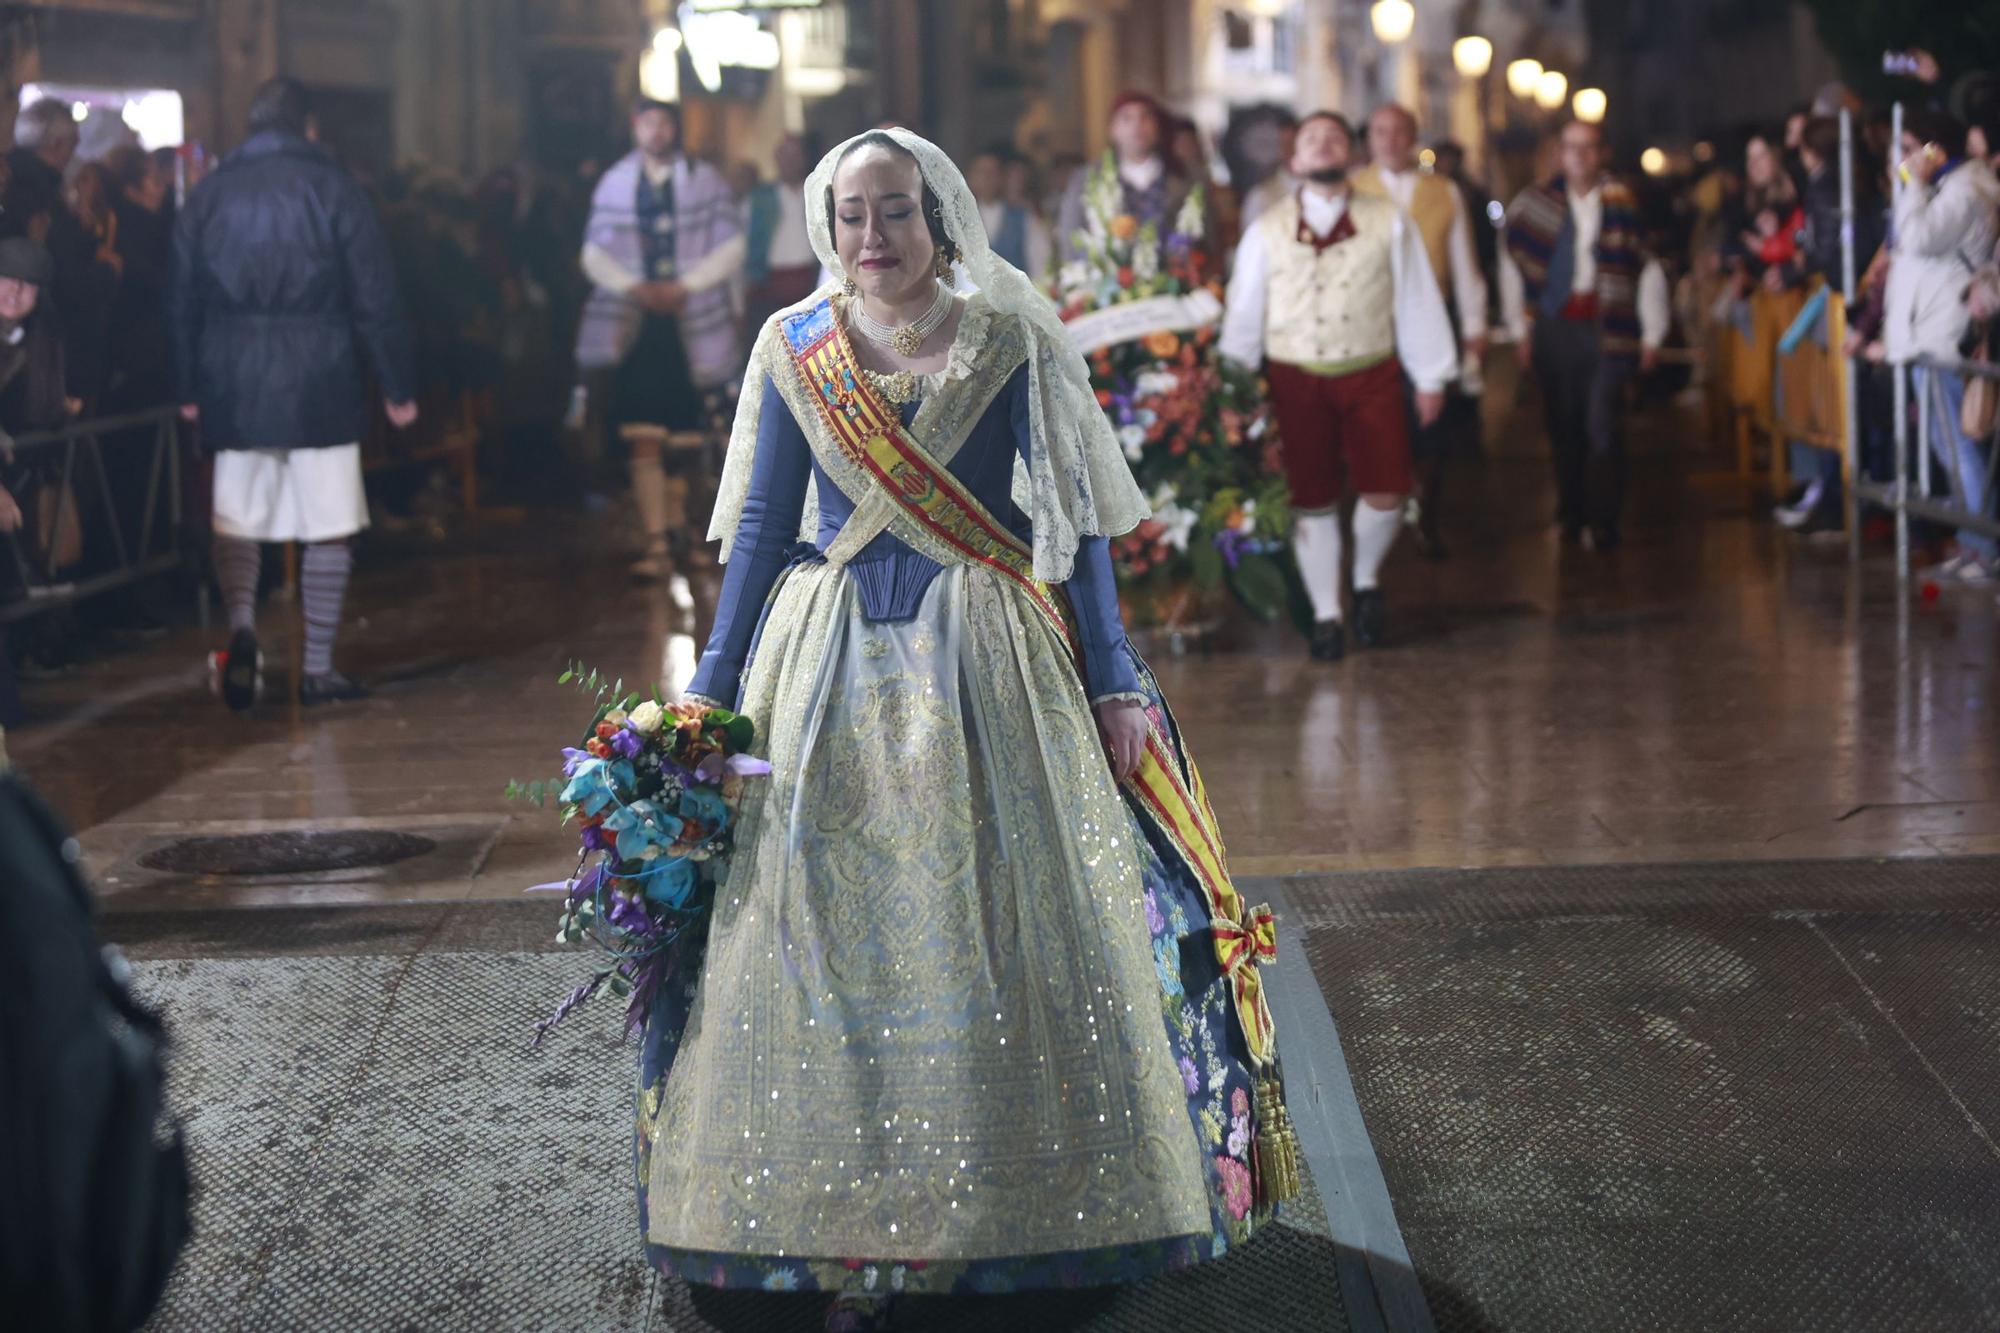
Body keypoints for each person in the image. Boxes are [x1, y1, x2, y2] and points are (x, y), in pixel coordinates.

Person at [647, 129, 1298, 1331]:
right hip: (823, 658)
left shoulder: (1011, 334)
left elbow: (1078, 521)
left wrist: (1111, 683)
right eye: (850, 217)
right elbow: (757, 527)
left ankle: (1024, 1205)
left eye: (893, 213)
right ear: (825, 226)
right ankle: (811, 1205)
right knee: (813, 932)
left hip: (989, 656)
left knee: (1003, 916)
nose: (871, 239)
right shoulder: (790, 348)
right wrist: (713, 684)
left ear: (938, 218)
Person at [170, 78, 417, 709]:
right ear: (308, 125)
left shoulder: (209, 194)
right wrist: (397, 383)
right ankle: (317, 666)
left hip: (233, 372)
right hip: (320, 372)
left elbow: (181, 298)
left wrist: (187, 385)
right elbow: (374, 294)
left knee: (238, 522)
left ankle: (245, 630)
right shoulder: (335, 187)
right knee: (329, 524)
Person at [1220, 111, 1456, 660]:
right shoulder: (1266, 228)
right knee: (1312, 499)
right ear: (1296, 160)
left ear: (1350, 156)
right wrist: (1236, 386)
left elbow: (1416, 298)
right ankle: (1328, 614)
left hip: (1371, 369)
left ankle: (1366, 578)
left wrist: (1431, 374)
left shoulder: (1389, 220)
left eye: (1335, 138)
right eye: (1311, 139)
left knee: (1387, 491)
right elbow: (1245, 311)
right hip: (1293, 377)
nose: (1324, 145)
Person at [575, 99, 745, 581]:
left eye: (665, 122)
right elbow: (593, 253)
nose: (656, 131)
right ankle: (655, 541)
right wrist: (636, 287)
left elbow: (731, 243)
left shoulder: (704, 180)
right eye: (648, 122)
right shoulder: (615, 183)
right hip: (636, 326)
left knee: (689, 441)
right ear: (636, 127)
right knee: (643, 434)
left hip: (692, 322)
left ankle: (686, 534)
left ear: (674, 128)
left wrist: (685, 286)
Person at [1502, 118, 1660, 551]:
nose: (1580, 156)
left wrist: (1652, 333)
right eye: (1572, 147)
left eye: (1589, 147)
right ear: (1560, 153)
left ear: (1603, 153)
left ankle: (1605, 519)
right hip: (1555, 327)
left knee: (1603, 424)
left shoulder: (1622, 202)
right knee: (1563, 425)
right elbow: (1513, 266)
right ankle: (1571, 511)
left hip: (1607, 326)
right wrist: (1521, 330)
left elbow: (1645, 268)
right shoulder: (1535, 202)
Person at [1351, 104, 1490, 558]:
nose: (1390, 141)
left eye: (1399, 132)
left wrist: (1474, 325)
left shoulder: (1444, 191)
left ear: (1413, 138)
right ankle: (1383, 512)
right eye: (1380, 132)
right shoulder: (1353, 189)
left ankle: (1426, 513)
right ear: (1370, 139)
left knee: (1431, 425)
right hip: (1373, 325)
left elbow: (1464, 262)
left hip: (1432, 321)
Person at [1883, 110, 2000, 585]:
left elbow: (1917, 237)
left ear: (1935, 149)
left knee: (1961, 443)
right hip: (1926, 329)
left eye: (1912, 147)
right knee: (1944, 441)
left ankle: (1984, 547)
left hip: (1943, 330)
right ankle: (1973, 543)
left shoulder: (1966, 192)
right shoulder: (1948, 190)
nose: (1906, 158)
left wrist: (1913, 183)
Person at [1058, 92, 1206, 261]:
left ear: (1157, 126)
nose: (1137, 126)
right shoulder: (1086, 180)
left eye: (1145, 117)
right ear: (1112, 129)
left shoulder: (1185, 177)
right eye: (1126, 118)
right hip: (1109, 282)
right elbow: (1071, 239)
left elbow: (1207, 240)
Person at [742, 134, 820, 334]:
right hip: (770, 284)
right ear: (776, 159)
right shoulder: (761, 197)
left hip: (812, 280)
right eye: (785, 154)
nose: (790, 160)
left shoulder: (816, 191)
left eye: (796, 154)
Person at [965, 143, 1052, 281]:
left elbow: (1040, 266)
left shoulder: (1023, 217)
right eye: (981, 172)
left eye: (992, 172)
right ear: (971, 178)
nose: (987, 178)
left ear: (1001, 178)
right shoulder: (960, 220)